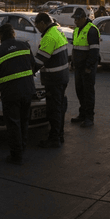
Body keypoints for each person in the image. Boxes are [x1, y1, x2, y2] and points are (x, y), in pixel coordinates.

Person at [0, 23, 37, 165]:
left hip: (10, 93)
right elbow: (32, 65)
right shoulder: (25, 46)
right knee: (24, 121)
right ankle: (22, 148)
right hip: (27, 90)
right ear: (13, 34)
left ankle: (16, 156)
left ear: (0, 36)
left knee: (13, 124)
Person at [33, 12, 70, 148]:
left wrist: (27, 72)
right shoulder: (58, 31)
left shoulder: (49, 37)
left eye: (37, 26)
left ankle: (54, 139)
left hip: (54, 79)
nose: (37, 29)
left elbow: (39, 61)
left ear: (42, 23)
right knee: (59, 108)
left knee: (53, 110)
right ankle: (59, 135)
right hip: (62, 77)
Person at [71, 8, 100, 128]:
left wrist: (88, 67)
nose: (75, 22)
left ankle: (89, 118)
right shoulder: (76, 30)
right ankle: (82, 114)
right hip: (78, 67)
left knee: (88, 93)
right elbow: (76, 48)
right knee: (80, 91)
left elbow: (94, 52)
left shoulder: (92, 30)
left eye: (77, 19)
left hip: (87, 69)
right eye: (74, 19)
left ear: (83, 18)